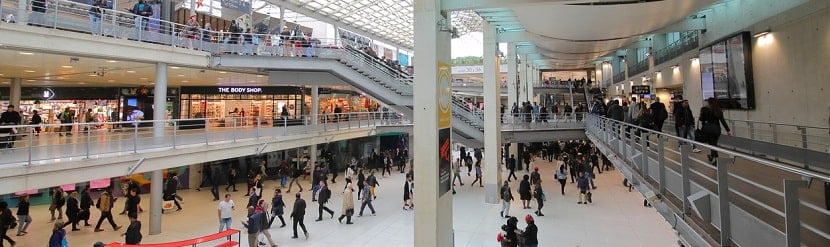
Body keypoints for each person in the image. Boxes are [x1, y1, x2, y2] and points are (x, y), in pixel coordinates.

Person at [699, 98, 732, 165]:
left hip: (708, 129)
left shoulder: (704, 109)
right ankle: (712, 156)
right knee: (713, 143)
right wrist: (728, 130)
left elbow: (701, 119)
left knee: (712, 144)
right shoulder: (718, 110)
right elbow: (723, 121)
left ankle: (716, 159)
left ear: (708, 102)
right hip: (717, 129)